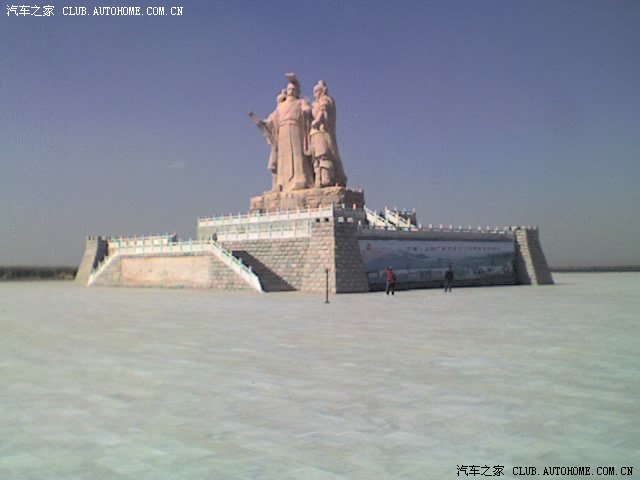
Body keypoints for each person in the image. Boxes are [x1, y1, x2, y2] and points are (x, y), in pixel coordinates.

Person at [259, 74, 314, 192]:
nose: (291, 91)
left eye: (293, 89)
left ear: (297, 91)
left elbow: (308, 110)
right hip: (283, 131)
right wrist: (265, 122)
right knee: (283, 156)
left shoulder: (300, 102)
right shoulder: (281, 106)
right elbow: (273, 117)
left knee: (297, 153)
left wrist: (306, 110)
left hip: (295, 128)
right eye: (289, 89)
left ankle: (300, 179)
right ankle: (282, 182)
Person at [309, 80, 347, 188]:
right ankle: (318, 179)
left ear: (322, 91)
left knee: (324, 154)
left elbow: (323, 111)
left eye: (317, 91)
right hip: (315, 133)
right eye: (314, 92)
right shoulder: (315, 104)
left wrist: (317, 121)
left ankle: (327, 178)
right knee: (316, 157)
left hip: (323, 132)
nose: (315, 94)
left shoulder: (326, 100)